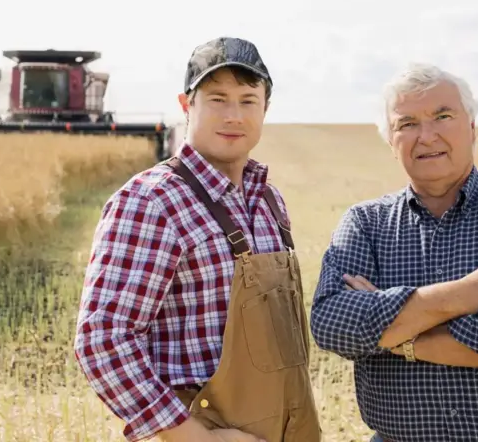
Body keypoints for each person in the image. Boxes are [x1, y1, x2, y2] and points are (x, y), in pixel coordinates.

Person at [309, 63, 478, 442]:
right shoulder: (365, 223)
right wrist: (460, 296)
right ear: (391, 141)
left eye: (443, 116)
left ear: (471, 128)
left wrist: (400, 338)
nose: (427, 135)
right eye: (407, 124)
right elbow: (331, 325)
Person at [73, 36, 322, 442]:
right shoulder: (152, 201)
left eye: (247, 100)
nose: (233, 116)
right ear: (187, 105)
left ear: (266, 108)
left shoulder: (268, 201)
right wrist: (197, 438)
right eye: (217, 99)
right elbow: (104, 338)